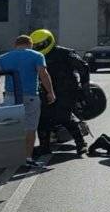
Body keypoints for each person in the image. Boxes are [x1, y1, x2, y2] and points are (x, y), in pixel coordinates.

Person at [0, 35, 56, 168]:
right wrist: (50, 92)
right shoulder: (36, 55)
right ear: (30, 44)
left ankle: (10, 157)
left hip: (11, 96)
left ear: (15, 45)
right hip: (31, 96)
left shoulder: (4, 57)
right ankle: (27, 157)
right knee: (30, 127)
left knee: (10, 127)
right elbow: (43, 75)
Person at [30, 29, 91, 157]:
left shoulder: (65, 53)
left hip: (67, 90)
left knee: (64, 116)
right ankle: (44, 146)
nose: (38, 47)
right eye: (35, 45)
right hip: (46, 90)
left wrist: (84, 86)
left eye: (41, 44)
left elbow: (83, 67)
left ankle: (81, 144)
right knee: (43, 119)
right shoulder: (35, 56)